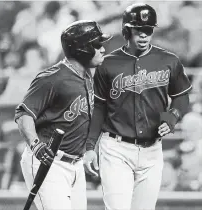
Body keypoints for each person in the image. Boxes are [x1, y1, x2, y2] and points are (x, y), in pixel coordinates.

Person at [83, 3, 192, 210]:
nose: (143, 35)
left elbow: (181, 96)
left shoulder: (168, 60)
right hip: (116, 148)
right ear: (126, 30)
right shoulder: (108, 64)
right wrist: (89, 147)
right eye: (138, 30)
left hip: (152, 149)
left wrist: (173, 116)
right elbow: (99, 108)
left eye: (148, 30)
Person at [14, 20, 111, 210]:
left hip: (75, 164)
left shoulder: (88, 75)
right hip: (48, 162)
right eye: (97, 45)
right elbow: (24, 114)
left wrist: (89, 149)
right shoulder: (53, 77)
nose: (102, 49)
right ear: (82, 49)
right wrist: (36, 145)